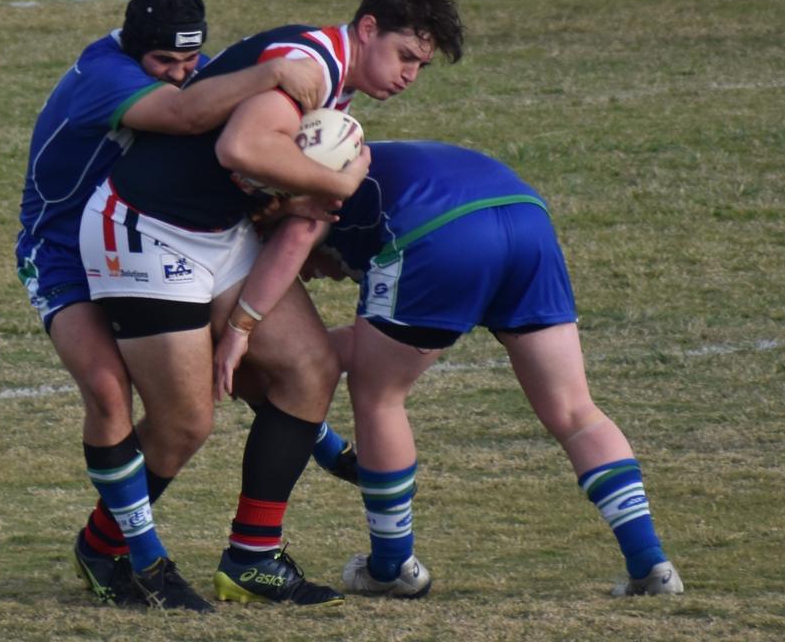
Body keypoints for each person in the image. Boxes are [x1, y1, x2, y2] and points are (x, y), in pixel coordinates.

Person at [80, 0, 464, 608]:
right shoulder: (308, 63)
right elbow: (242, 145)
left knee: (310, 367)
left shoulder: (336, 93)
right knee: (184, 423)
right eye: (405, 56)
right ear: (367, 29)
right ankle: (102, 548)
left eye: (421, 66)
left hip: (217, 235)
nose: (409, 75)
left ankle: (252, 559)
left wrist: (243, 329)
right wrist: (336, 186)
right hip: (147, 231)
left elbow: (282, 209)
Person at [218, 140, 684, 599]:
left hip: (439, 230)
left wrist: (242, 328)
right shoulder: (359, 164)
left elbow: (297, 239)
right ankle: (650, 562)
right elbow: (336, 353)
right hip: (525, 218)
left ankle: (390, 566)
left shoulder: (295, 202)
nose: (312, 277)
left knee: (379, 396)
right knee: (575, 410)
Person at [17, 0, 333, 611]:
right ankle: (144, 558)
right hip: (63, 253)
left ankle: (117, 545)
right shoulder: (102, 74)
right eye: (165, 62)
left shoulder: (195, 72)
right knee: (112, 393)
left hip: (157, 243)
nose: (182, 74)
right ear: (134, 45)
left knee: (216, 397)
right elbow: (187, 115)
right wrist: (273, 71)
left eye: (191, 61)